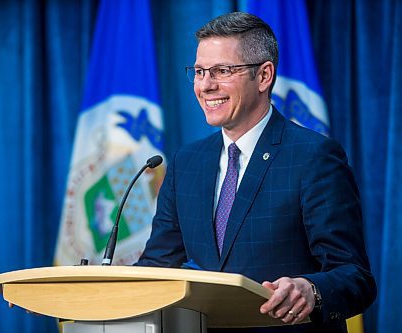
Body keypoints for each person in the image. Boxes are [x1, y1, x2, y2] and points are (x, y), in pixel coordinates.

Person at [135, 12, 376, 333]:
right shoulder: (186, 162)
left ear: (264, 76)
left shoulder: (314, 156)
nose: (206, 85)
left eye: (222, 71)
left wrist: (311, 290)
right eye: (199, 71)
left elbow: (354, 276)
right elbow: (158, 266)